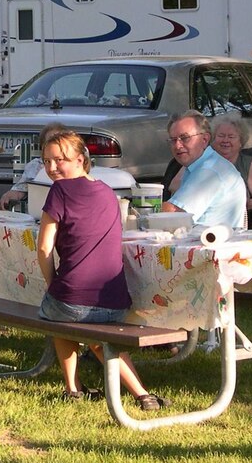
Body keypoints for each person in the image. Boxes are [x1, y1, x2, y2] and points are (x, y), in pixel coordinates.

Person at [36, 127, 168, 410]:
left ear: (81, 160)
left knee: (61, 313)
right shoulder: (108, 193)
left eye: (60, 160)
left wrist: (51, 285)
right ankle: (142, 394)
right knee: (92, 330)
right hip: (117, 302)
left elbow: (44, 249)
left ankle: (73, 389)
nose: (52, 167)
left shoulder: (58, 191)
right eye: (46, 161)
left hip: (73, 302)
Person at [164, 114, 252, 211]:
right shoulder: (198, 160)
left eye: (231, 137)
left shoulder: (247, 163)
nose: (225, 140)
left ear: (241, 141)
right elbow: (174, 187)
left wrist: (238, 205)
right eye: (221, 136)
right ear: (212, 139)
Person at [160, 110, 245, 229]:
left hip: (209, 245)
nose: (178, 146)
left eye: (185, 138)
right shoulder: (201, 165)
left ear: (205, 139)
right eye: (173, 140)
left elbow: (172, 215)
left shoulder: (209, 170)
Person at [0, 123, 68, 211]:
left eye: (58, 141)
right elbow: (21, 189)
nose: (54, 145)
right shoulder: (35, 165)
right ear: (43, 147)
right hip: (40, 210)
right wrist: (8, 196)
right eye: (49, 141)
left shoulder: (71, 165)